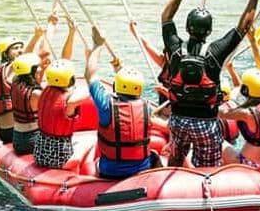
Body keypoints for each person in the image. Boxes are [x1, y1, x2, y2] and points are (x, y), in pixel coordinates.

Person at [161, 0, 260, 167]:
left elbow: (166, 18)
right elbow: (243, 27)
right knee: (207, 167)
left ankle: (173, 172)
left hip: (178, 121)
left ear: (187, 28)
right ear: (209, 31)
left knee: (175, 158)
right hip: (205, 123)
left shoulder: (175, 49)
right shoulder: (215, 51)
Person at [85, 28, 154, 179]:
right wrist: (118, 68)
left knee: (91, 162)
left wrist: (97, 45)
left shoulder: (106, 105)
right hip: (142, 169)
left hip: (111, 171)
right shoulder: (147, 107)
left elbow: (90, 75)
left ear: (117, 86)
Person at [10, 20, 78, 154]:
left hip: (18, 138)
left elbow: (28, 58)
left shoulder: (15, 80)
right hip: (31, 140)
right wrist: (72, 33)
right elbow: (65, 63)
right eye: (39, 67)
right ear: (33, 71)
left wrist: (50, 28)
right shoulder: (38, 94)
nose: (42, 68)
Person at [0, 28, 43, 144]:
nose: (20, 51)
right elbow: (27, 55)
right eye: (15, 48)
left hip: (2, 131)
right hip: (13, 131)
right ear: (5, 53)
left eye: (20, 47)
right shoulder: (10, 69)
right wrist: (36, 36)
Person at [220, 68, 260, 169]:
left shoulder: (247, 114)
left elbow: (220, 112)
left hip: (247, 163)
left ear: (245, 90)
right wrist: (230, 68)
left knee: (218, 140)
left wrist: (231, 99)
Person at [33, 60, 88, 168]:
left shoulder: (44, 93)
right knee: (86, 142)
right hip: (60, 159)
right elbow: (88, 91)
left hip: (39, 155)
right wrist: (72, 89)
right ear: (71, 79)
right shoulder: (70, 101)